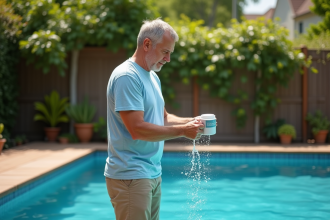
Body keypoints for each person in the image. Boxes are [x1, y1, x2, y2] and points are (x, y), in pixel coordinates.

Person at [104, 18, 205, 220]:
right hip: (131, 174)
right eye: (165, 52)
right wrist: (183, 131)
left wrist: (193, 121)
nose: (168, 59)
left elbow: (163, 118)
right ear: (147, 44)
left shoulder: (152, 77)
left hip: (150, 173)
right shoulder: (127, 77)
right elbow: (137, 129)